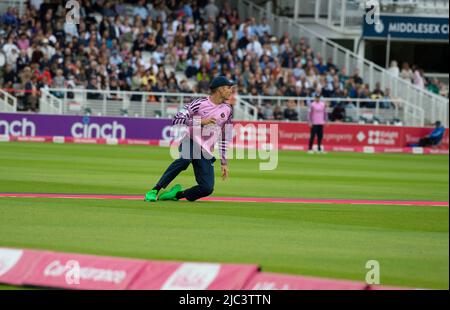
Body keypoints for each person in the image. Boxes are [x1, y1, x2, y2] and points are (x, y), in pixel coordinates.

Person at [144, 76, 236, 202]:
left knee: (207, 188)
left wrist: (224, 162)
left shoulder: (228, 110)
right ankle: (155, 190)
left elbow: (226, 136)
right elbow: (176, 118)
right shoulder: (199, 103)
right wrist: (200, 121)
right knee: (185, 160)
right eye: (228, 88)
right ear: (219, 89)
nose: (231, 91)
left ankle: (176, 195)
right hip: (191, 140)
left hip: (205, 151)